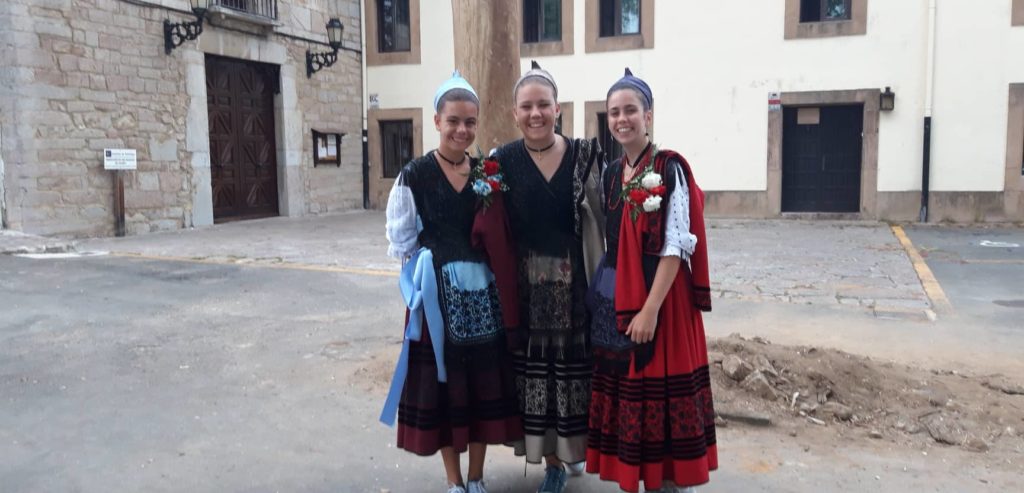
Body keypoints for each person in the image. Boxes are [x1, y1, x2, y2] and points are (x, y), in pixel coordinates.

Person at [380, 72, 523, 493]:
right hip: (437, 300)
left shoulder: (487, 172)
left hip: (483, 299)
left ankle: (477, 477)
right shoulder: (416, 174)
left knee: (481, 388)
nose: (462, 130)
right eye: (454, 120)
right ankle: (454, 481)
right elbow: (403, 244)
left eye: (470, 122)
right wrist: (418, 294)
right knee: (447, 391)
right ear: (437, 120)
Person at [585, 69, 718, 493]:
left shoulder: (669, 168)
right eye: (613, 113)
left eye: (630, 111)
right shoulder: (610, 173)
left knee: (659, 407)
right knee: (631, 404)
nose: (622, 119)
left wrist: (649, 311)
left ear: (649, 115)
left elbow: (677, 246)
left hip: (661, 302)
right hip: (619, 300)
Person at [492, 61, 604, 493]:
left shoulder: (582, 155)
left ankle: (574, 451)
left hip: (574, 288)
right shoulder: (502, 161)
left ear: (558, 109)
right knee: (537, 382)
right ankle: (554, 463)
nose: (535, 113)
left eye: (543, 105)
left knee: (573, 379)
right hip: (527, 292)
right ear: (514, 112)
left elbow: (605, 216)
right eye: (526, 106)